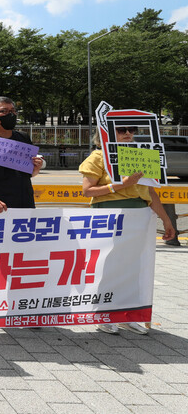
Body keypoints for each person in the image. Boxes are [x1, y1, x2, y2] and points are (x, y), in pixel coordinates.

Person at [79, 126, 176, 335]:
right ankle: (102, 313)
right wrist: (120, 185)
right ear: (105, 134)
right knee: (109, 265)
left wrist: (167, 220)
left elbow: (150, 191)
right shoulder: (98, 156)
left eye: (131, 129)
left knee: (134, 266)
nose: (128, 134)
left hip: (139, 214)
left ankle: (127, 314)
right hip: (109, 213)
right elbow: (87, 190)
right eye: (121, 130)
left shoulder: (141, 156)